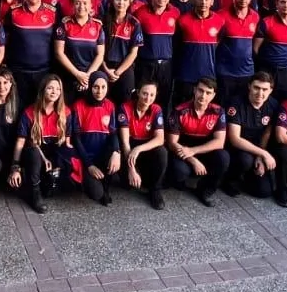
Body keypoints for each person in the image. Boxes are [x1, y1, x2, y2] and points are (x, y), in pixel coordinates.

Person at [12, 74, 72, 213]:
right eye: (50, 88)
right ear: (42, 90)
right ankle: (34, 193)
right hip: (35, 153)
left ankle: (52, 179)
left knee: (68, 153)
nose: (54, 92)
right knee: (33, 153)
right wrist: (15, 166)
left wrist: (59, 164)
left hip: (53, 154)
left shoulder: (66, 112)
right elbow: (20, 142)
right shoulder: (29, 112)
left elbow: (67, 143)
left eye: (58, 89)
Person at [167, 77, 229, 207]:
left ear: (213, 95)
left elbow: (219, 142)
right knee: (180, 172)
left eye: (208, 93)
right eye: (200, 90)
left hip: (203, 151)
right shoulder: (179, 111)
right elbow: (172, 143)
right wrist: (193, 160)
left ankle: (205, 189)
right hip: (183, 152)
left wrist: (193, 151)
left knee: (223, 157)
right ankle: (180, 182)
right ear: (194, 90)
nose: (203, 96)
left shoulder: (218, 111)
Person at [223, 73, 281, 199]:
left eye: (264, 89)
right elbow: (235, 139)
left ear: (271, 90)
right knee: (245, 160)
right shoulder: (236, 103)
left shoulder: (273, 105)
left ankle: (248, 177)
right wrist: (263, 154)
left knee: (264, 192)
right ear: (249, 86)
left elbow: (267, 133)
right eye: (256, 88)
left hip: (258, 149)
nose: (260, 93)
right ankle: (227, 180)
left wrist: (260, 156)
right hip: (237, 149)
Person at [4, 0, 58, 108]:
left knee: (41, 109)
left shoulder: (52, 13)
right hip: (18, 73)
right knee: (18, 109)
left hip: (44, 72)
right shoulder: (13, 12)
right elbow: (5, 42)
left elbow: (57, 44)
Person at [70, 73, 121, 206]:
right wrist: (89, 165)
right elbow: (76, 139)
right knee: (96, 193)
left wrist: (116, 152)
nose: (100, 91)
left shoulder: (110, 105)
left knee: (113, 154)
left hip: (102, 156)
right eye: (96, 87)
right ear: (90, 87)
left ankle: (106, 188)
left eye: (103, 87)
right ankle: (84, 183)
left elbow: (113, 133)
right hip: (85, 159)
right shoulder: (78, 106)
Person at [118, 80, 167, 209]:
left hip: (145, 149)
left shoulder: (156, 109)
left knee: (162, 152)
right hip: (129, 150)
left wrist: (139, 149)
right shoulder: (125, 108)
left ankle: (155, 190)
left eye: (152, 95)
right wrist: (131, 170)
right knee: (128, 185)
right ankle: (137, 174)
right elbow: (125, 143)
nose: (148, 98)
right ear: (138, 92)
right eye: (145, 93)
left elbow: (160, 139)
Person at [215, 0, 260, 105]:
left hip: (247, 73)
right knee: (223, 106)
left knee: (241, 107)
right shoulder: (221, 15)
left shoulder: (255, 17)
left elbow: (256, 44)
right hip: (225, 73)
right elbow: (214, 44)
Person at [254, 0, 287, 103]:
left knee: (283, 101)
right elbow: (255, 48)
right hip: (266, 70)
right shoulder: (266, 22)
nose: (286, 5)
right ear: (277, 4)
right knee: (263, 100)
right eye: (283, 2)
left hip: (286, 72)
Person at [54, 0, 106, 97]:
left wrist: (87, 76)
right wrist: (77, 74)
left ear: (91, 5)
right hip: (69, 74)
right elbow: (59, 53)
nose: (81, 6)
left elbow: (100, 55)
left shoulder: (97, 26)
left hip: (90, 75)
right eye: (77, 3)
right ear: (73, 5)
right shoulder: (64, 24)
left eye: (85, 3)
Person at [101, 0, 142, 108]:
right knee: (104, 104)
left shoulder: (134, 23)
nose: (121, 2)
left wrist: (118, 72)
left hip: (125, 69)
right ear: (112, 0)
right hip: (104, 67)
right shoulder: (102, 21)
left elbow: (133, 53)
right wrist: (106, 69)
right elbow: (97, 50)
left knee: (125, 104)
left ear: (129, 2)